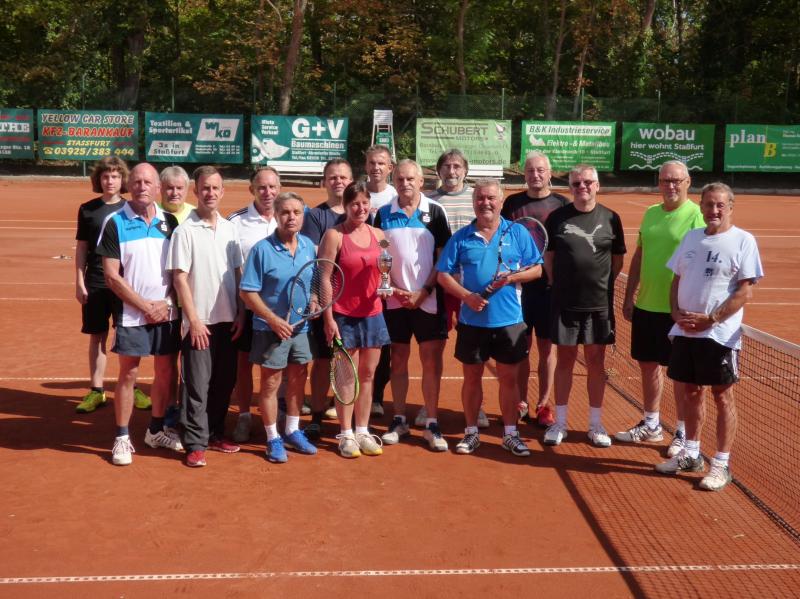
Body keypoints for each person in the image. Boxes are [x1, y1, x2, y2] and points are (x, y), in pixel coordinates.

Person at [655, 183, 763, 492]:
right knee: (691, 391)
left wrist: (711, 319)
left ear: (730, 207)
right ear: (700, 206)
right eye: (708, 205)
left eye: (720, 205)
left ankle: (721, 464)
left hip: (719, 336)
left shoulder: (743, 240)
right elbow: (676, 278)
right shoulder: (691, 238)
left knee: (721, 396)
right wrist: (675, 312)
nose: (713, 210)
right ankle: (691, 454)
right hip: (685, 331)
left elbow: (745, 291)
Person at [437, 179, 542, 457]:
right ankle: (471, 432)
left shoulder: (517, 232)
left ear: (501, 201)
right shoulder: (461, 237)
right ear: (474, 202)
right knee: (472, 378)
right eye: (480, 198)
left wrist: (512, 278)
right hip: (472, 322)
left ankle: (510, 434)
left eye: (491, 198)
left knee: (509, 380)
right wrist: (467, 297)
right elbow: (443, 275)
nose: (485, 203)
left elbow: (537, 270)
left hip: (510, 321)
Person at [97, 163, 183, 466]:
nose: (141, 187)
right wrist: (145, 306)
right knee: (129, 373)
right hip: (132, 315)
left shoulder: (170, 222)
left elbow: (179, 272)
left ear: (158, 188)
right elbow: (112, 276)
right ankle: (122, 436)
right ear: (128, 186)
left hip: (167, 312)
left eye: (147, 182)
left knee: (166, 371)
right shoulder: (114, 222)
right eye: (136, 182)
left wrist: (167, 302)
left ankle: (156, 430)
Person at [617, 160, 705, 455]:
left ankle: (681, 431)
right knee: (648, 365)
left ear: (688, 182)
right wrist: (629, 296)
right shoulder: (651, 213)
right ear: (659, 183)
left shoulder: (696, 216)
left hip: (678, 310)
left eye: (676, 180)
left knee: (679, 373)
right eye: (666, 180)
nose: (671, 185)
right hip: (647, 305)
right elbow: (640, 255)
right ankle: (652, 424)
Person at [543, 164, 626, 448]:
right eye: (577, 183)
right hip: (564, 304)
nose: (582, 187)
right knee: (565, 362)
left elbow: (617, 261)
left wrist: (600, 285)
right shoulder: (557, 218)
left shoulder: (611, 218)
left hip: (598, 306)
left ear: (597, 185)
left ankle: (595, 425)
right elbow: (549, 257)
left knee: (595, 363)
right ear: (570, 188)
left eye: (588, 182)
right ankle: (560, 423)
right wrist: (556, 283)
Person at [167, 166, 244, 468]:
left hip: (229, 321)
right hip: (199, 324)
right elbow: (179, 279)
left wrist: (241, 312)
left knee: (224, 383)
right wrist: (194, 320)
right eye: (205, 188)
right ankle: (195, 443)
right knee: (197, 387)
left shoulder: (230, 229)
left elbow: (238, 273)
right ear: (196, 192)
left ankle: (214, 433)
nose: (210, 193)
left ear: (222, 192)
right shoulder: (185, 231)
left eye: (215, 188)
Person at [375, 159, 451, 451]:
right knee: (398, 358)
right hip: (394, 301)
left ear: (421, 182)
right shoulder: (383, 214)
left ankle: (431, 422)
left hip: (428, 299)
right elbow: (380, 256)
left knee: (431, 360)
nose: (405, 184)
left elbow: (443, 258)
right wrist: (392, 288)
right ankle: (399, 419)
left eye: (410, 179)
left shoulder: (436, 211)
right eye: (400, 179)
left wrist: (424, 291)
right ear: (394, 182)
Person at [416, 148, 492, 429]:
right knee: (433, 349)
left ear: (465, 170)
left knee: (474, 352)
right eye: (446, 166)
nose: (452, 171)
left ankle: (476, 406)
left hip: (473, 289)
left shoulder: (477, 198)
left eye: (457, 166)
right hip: (441, 285)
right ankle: (429, 406)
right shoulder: (427, 202)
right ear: (439, 171)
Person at [240, 192, 318, 463]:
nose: (291, 217)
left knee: (297, 380)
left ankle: (293, 430)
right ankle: (273, 437)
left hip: (301, 329)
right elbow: (247, 293)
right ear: (275, 215)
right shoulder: (261, 250)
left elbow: (312, 281)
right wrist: (273, 320)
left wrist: (314, 298)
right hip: (269, 330)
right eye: (285, 212)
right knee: (271, 384)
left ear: (303, 215)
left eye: (296, 212)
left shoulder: (307, 246)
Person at [318, 180, 391, 458]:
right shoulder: (334, 235)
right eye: (354, 204)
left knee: (368, 375)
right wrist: (328, 318)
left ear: (370, 205)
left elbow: (386, 264)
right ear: (346, 206)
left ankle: (362, 430)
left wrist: (386, 283)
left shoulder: (379, 234)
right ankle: (346, 434)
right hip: (343, 316)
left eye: (364, 203)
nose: (360, 208)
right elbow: (324, 278)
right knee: (346, 376)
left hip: (373, 313)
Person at [74, 157, 150, 413]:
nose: (110, 181)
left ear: (123, 180)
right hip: (96, 281)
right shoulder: (88, 209)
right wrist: (79, 280)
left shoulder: (130, 208)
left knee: (126, 336)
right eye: (106, 176)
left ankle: (132, 386)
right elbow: (82, 248)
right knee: (97, 335)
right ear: (99, 179)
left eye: (116, 176)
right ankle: (97, 390)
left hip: (123, 282)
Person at [501, 151, 570, 427]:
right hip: (518, 288)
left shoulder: (562, 204)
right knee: (521, 348)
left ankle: (544, 404)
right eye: (530, 170)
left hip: (548, 288)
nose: (536, 175)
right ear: (524, 174)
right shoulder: (512, 203)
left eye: (541, 170)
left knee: (547, 348)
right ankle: (521, 402)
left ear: (550, 173)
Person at [300, 158, 354, 439]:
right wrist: (315, 296)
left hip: (355, 302)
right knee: (322, 360)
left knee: (350, 359)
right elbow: (313, 261)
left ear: (351, 180)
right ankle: (317, 415)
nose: (338, 181)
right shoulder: (315, 216)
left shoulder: (361, 212)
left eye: (343, 177)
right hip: (327, 300)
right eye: (332, 177)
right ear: (324, 182)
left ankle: (350, 417)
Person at [228, 167, 280, 442]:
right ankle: (245, 415)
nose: (267, 192)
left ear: (279, 188)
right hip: (248, 310)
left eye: (272, 187)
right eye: (261, 187)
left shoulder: (292, 214)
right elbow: (230, 269)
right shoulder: (235, 221)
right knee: (243, 364)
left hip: (281, 312)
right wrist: (239, 310)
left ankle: (279, 414)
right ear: (252, 190)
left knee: (279, 365)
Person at [364, 144, 397, 418]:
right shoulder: (357, 192)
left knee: (383, 343)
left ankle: (376, 396)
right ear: (366, 166)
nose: (376, 167)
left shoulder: (396, 197)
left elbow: (385, 246)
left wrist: (386, 278)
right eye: (372, 163)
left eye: (381, 163)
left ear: (390, 168)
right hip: (358, 282)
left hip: (386, 286)